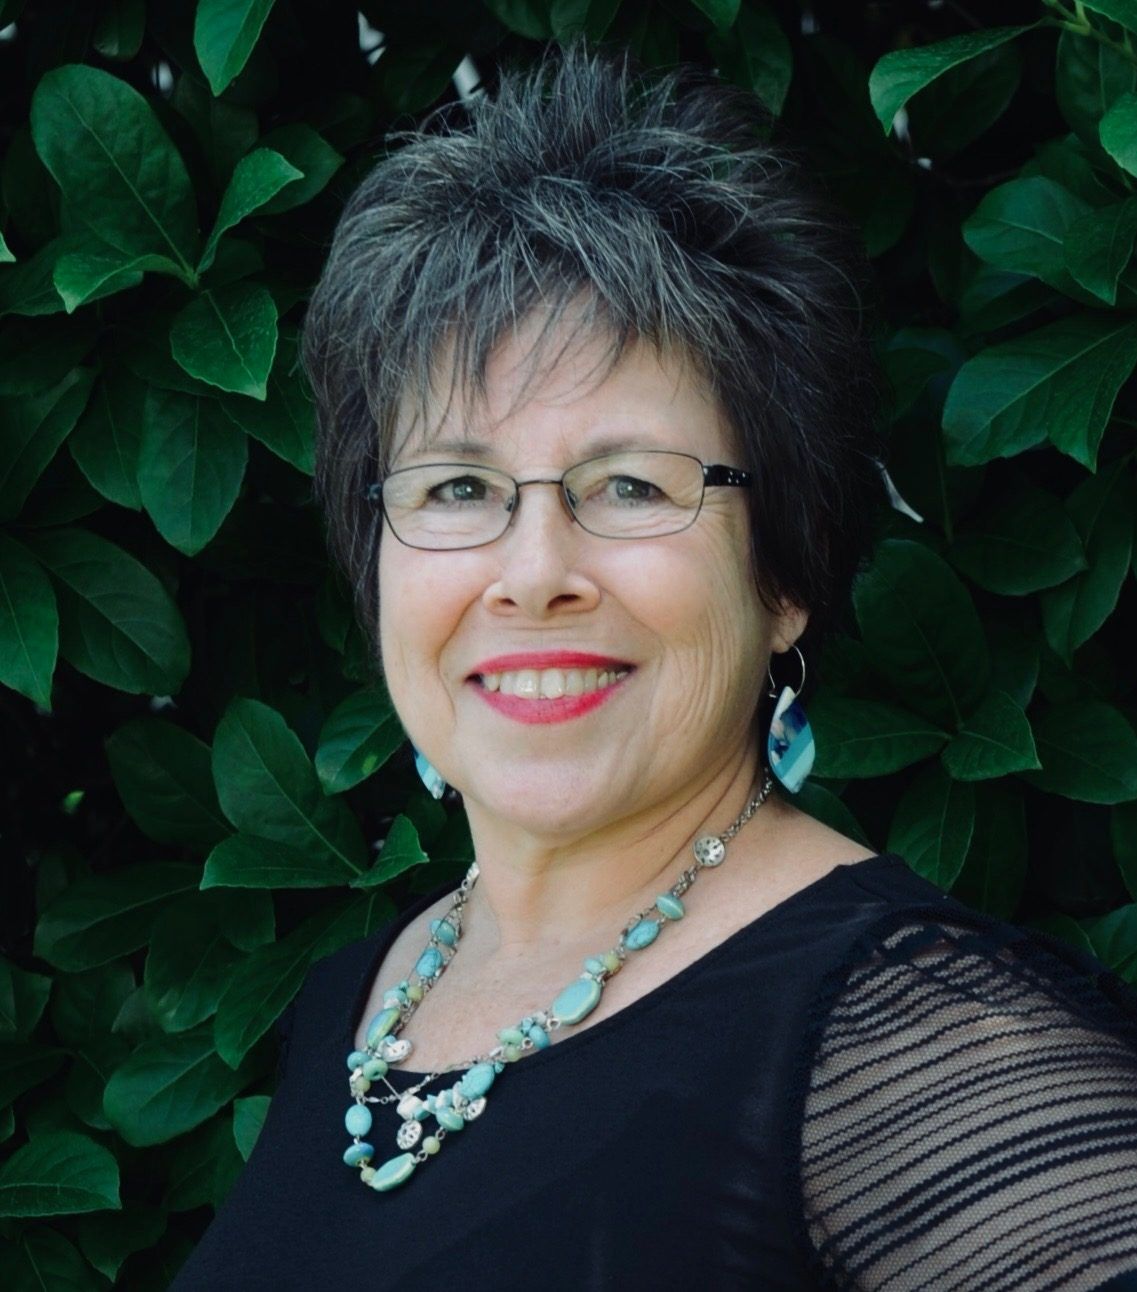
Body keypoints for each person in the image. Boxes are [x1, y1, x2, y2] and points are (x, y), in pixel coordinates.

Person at [170, 43, 1137, 1291]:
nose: (532, 570)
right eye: (458, 486)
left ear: (784, 575)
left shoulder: (913, 1033)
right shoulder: (359, 1001)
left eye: (629, 484)